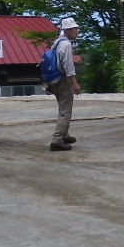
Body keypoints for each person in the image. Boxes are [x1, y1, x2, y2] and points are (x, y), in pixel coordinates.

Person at [48, 17, 81, 151]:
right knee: (65, 110)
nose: (77, 32)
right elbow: (68, 65)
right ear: (67, 31)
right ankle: (57, 139)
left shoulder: (57, 42)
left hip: (54, 78)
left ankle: (64, 135)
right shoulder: (66, 45)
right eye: (74, 29)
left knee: (63, 108)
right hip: (62, 80)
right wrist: (74, 83)